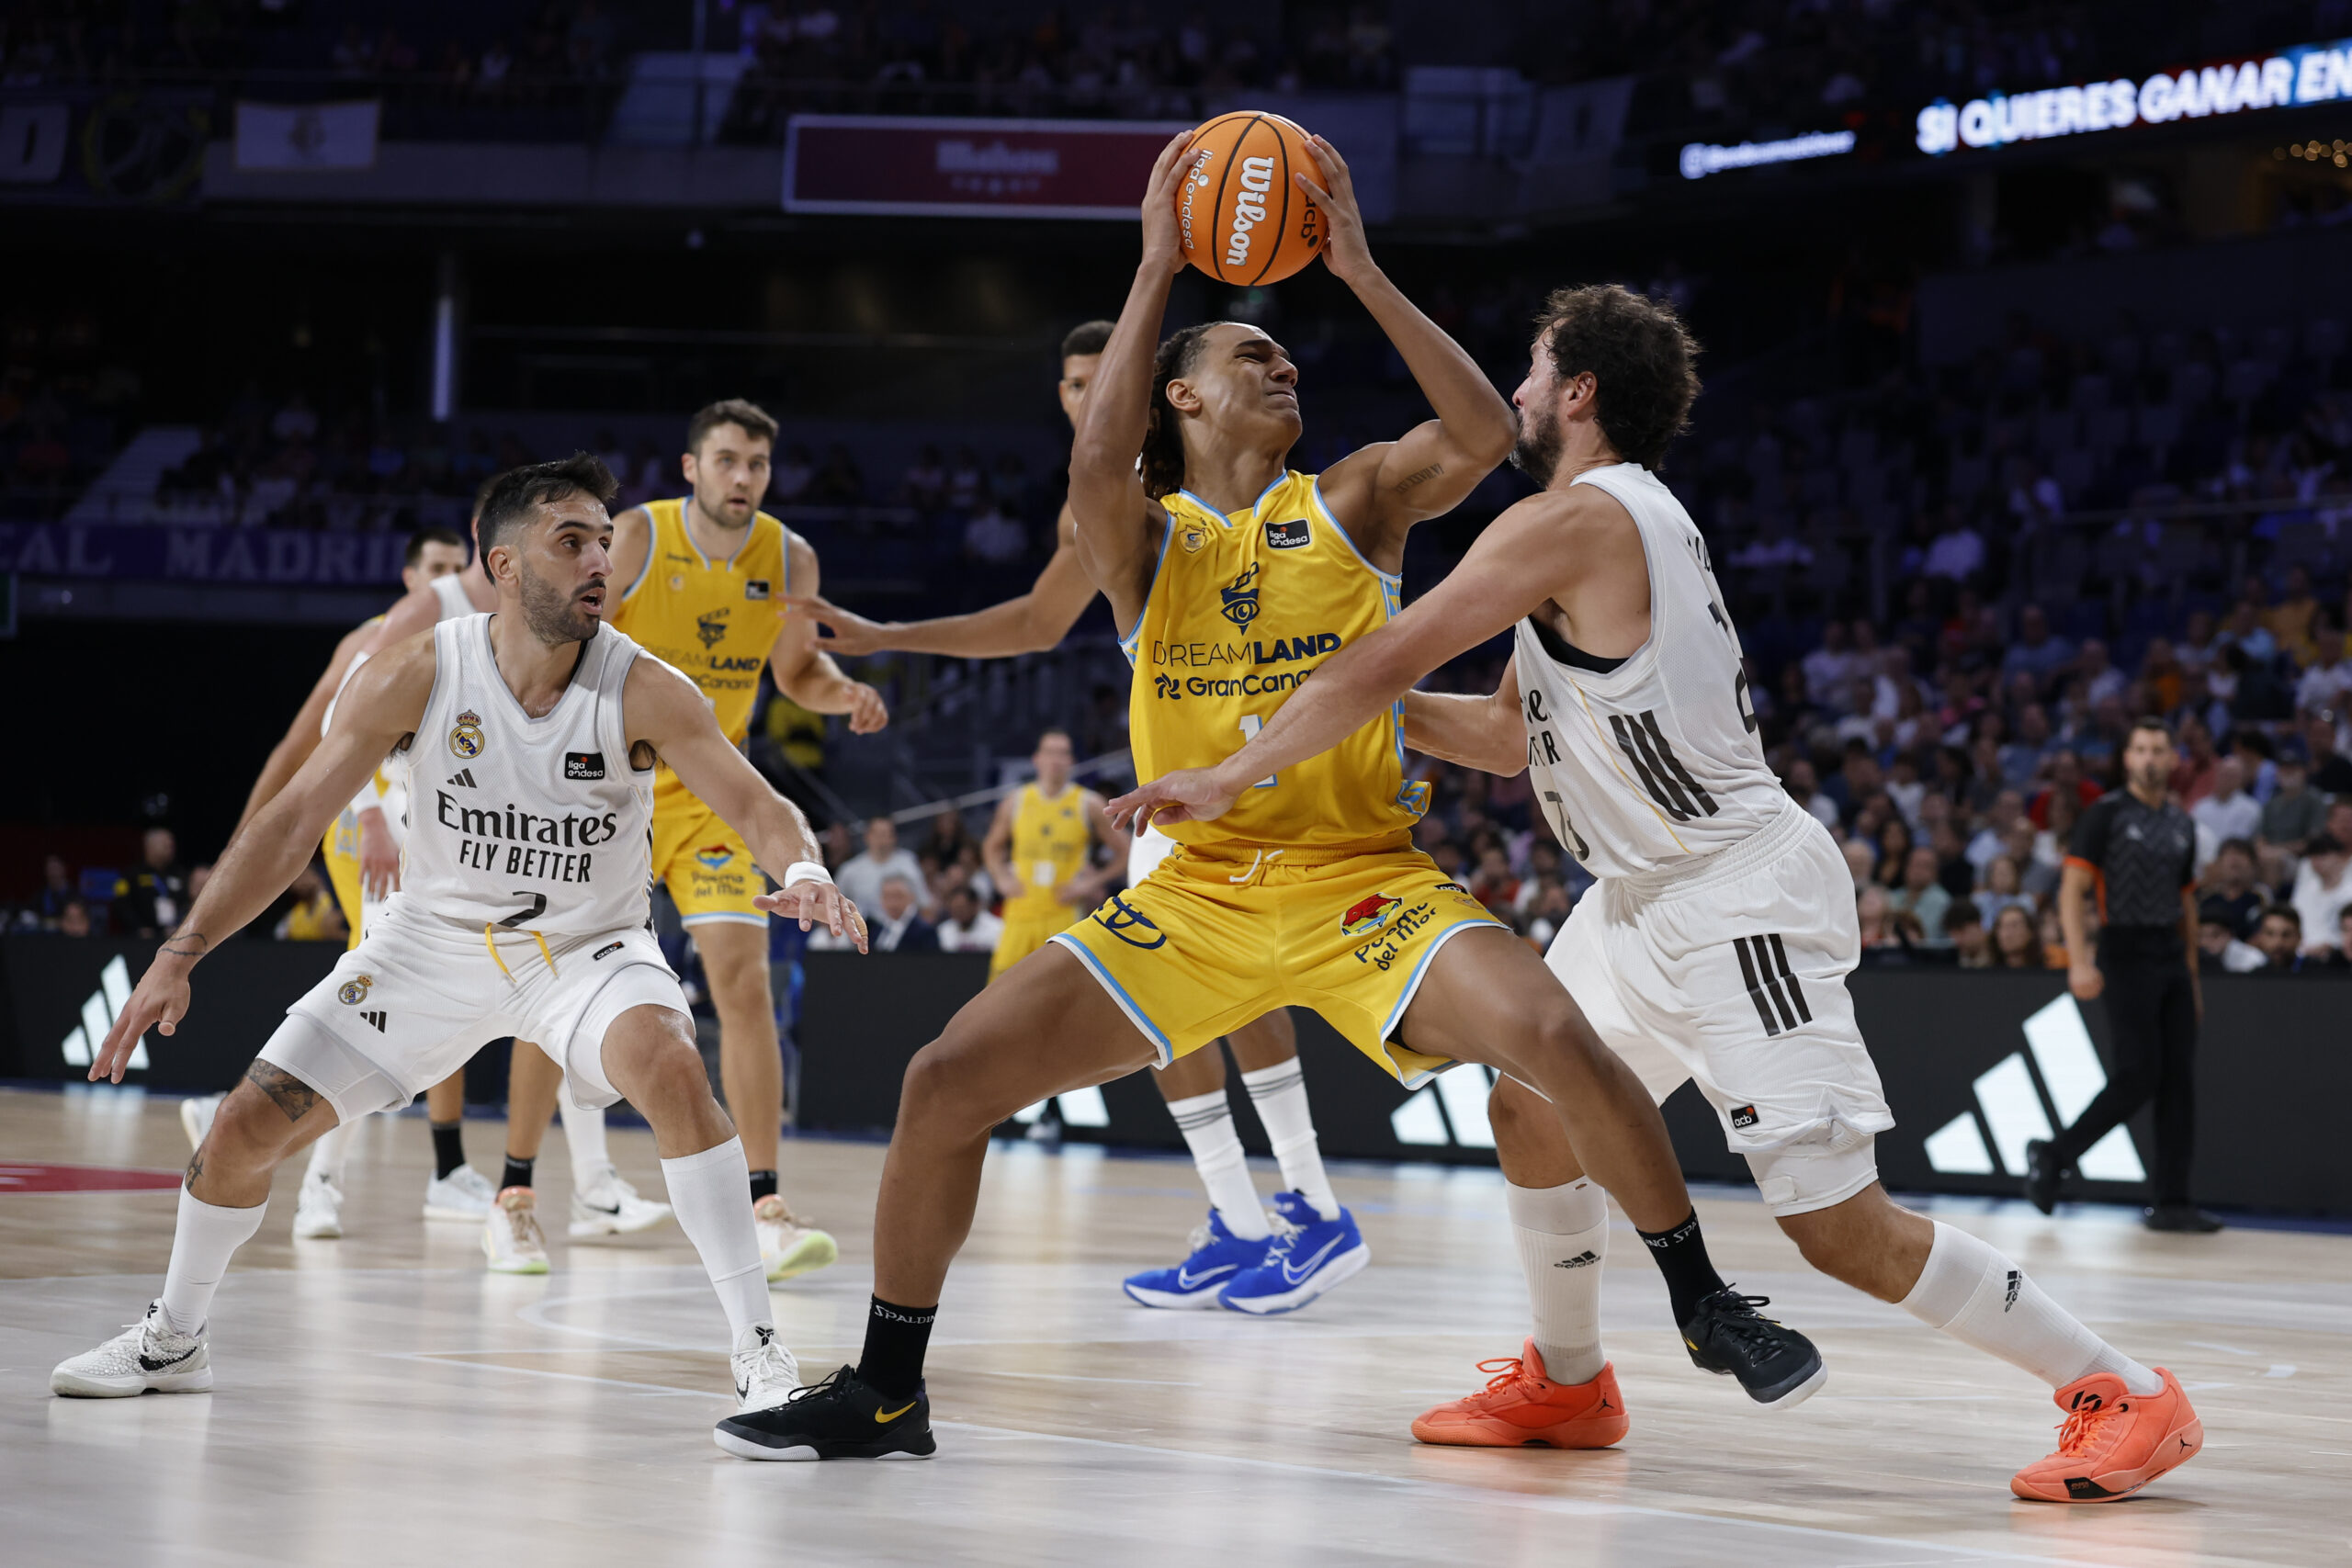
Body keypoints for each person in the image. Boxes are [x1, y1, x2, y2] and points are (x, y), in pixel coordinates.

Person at [718, 136, 1820, 1464]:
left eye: (1284, 354)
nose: (1280, 363)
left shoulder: (1351, 496)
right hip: (1196, 896)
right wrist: (1154, 265)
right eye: (1248, 355)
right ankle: (888, 1387)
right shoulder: (1140, 539)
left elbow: (1483, 434)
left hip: (1363, 879)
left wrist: (1353, 262)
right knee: (943, 1077)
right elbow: (1089, 469)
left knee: (1556, 1032)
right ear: (1182, 397)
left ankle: (1703, 1301)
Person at [1119, 278, 2199, 1502]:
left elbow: (1386, 654)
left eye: (1530, 372)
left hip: (1735, 897)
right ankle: (1568, 1378)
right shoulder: (1599, 525)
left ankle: (2119, 1388)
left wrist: (1246, 755)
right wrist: (1323, 703)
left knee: (1834, 1223)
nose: (1514, 392)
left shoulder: (1569, 520)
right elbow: (1498, 734)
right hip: (1638, 895)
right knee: (1530, 1106)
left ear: (1578, 393)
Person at [51, 456, 868, 1450]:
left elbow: (754, 801)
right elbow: (293, 820)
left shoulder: (642, 686)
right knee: (236, 1132)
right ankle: (176, 1339)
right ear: (506, 566)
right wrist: (182, 950)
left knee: (672, 1065)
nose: (599, 561)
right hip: (431, 945)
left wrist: (810, 866)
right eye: (571, 542)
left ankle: (761, 1355)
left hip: (587, 949)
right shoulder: (420, 670)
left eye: (604, 541)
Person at [789, 320, 1363, 1314]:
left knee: (1238, 995)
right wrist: (894, 636)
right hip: (1174, 782)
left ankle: (1310, 1204)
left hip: (1249, 769)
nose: (1081, 398)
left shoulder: (1193, 488)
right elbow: (1037, 622)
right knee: (1168, 1025)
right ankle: (1238, 1215)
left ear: (1154, 391)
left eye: (1102, 381)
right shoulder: (1095, 507)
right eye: (1068, 384)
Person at [182, 525, 538, 1246]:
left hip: (435, 831)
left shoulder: (491, 638)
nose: (445, 578)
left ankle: (441, 1168)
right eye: (432, 567)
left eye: (452, 565)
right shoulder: (378, 640)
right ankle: (321, 1185)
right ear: (411, 577)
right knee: (378, 1000)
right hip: (369, 829)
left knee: (443, 995)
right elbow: (308, 741)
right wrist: (248, 847)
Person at [604, 400, 888, 1281]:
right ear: (691, 468)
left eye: (757, 464)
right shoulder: (638, 539)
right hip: (610, 787)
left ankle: (764, 1197)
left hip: (713, 796)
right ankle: (521, 1187)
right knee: (567, 972)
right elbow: (571, 637)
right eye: (726, 460)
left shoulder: (789, 555)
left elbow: (796, 670)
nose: (743, 478)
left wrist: (843, 692)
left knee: (744, 980)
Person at [2030, 717, 2216, 1234]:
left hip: (2171, 954)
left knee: (2179, 1080)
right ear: (2127, 758)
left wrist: (2193, 977)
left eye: (2158, 749)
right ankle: (2054, 1153)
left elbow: (2186, 903)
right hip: (2124, 949)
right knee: (2139, 1073)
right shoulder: (2105, 814)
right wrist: (2081, 958)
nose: (2150, 758)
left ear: (2174, 758)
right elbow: (2072, 888)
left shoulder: (2182, 823)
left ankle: (2174, 1202)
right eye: (2140, 749)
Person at [981, 728, 1124, 980]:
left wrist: (1090, 883)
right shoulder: (1016, 800)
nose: (1056, 759)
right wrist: (1001, 877)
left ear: (1071, 761)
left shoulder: (1087, 802)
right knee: (998, 994)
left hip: (1062, 913)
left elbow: (1125, 851)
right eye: (1050, 752)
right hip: (1019, 913)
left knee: (1056, 996)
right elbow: (991, 846)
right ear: (1037, 759)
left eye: (1063, 753)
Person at [836, 817, 928, 921]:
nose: (881, 840)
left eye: (885, 834)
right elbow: (833, 907)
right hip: (864, 931)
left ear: (893, 838)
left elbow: (924, 903)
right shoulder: (849, 870)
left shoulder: (908, 862)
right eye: (877, 834)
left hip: (902, 929)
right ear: (867, 837)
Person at [2290, 833, 2352, 958]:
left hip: (2336, 956)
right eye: (2313, 856)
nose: (2317, 861)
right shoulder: (2305, 889)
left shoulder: (2349, 892)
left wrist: (2331, 944)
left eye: (2323, 855)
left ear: (2339, 857)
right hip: (2301, 952)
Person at [870, 874, 940, 953]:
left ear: (911, 897)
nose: (892, 903)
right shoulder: (875, 929)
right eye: (887, 896)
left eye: (898, 896)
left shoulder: (925, 932)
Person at [933, 885, 1003, 953]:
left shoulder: (998, 928)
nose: (959, 912)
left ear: (975, 905)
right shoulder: (943, 931)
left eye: (962, 908)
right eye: (954, 909)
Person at [2250, 905, 2306, 970]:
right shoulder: (2256, 976)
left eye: (2286, 935)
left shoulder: (2318, 972)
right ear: (2260, 937)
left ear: (2299, 937)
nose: (2278, 942)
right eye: (2270, 934)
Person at [1990, 904, 2045, 968]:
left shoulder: (2048, 970)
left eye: (2014, 926)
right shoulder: (1986, 972)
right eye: (2002, 926)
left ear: (2030, 932)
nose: (2007, 934)